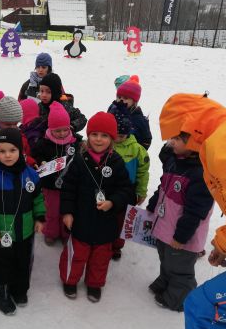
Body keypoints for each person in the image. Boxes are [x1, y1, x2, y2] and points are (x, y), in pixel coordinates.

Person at [159, 93, 226, 328]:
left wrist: (223, 245)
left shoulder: (223, 144)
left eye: (175, 136)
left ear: (189, 128)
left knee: (201, 306)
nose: (171, 143)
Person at [59, 112, 133, 303]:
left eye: (104, 135)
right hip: (81, 220)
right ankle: (70, 280)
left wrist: (113, 202)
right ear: (88, 135)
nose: (99, 139)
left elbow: (126, 190)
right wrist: (67, 212)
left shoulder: (116, 162)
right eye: (95, 134)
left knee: (100, 259)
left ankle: (94, 284)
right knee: (76, 255)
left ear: (112, 138)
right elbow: (68, 189)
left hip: (105, 223)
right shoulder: (79, 160)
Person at [0, 128, 46, 315]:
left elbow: (38, 198)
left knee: (22, 261)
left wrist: (39, 217)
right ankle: (1, 291)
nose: (7, 155)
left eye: (12, 150)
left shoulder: (30, 174)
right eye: (2, 151)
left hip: (25, 230)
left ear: (21, 151)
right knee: (2, 262)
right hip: (1, 232)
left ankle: (20, 289)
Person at [146, 135, 214, 312]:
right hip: (166, 225)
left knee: (180, 268)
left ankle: (179, 297)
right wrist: (154, 202)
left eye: (177, 139)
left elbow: (195, 211)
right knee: (165, 257)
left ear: (195, 144)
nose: (171, 142)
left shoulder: (201, 174)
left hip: (183, 235)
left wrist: (181, 237)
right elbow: (164, 186)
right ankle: (166, 281)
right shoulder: (174, 161)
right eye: (172, 138)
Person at [31, 101, 82, 245]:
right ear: (50, 129)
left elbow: (80, 159)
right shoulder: (43, 143)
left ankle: (66, 233)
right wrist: (40, 162)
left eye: (65, 130)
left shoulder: (74, 142)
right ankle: (51, 232)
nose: (62, 134)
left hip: (69, 186)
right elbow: (35, 155)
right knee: (51, 211)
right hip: (50, 186)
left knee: (67, 210)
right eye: (57, 130)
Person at [109, 102, 150, 260]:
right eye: (115, 134)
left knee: (121, 220)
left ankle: (117, 245)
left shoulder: (137, 149)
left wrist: (141, 191)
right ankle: (104, 242)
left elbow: (143, 171)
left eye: (122, 135)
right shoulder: (106, 144)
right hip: (107, 189)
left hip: (127, 190)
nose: (118, 138)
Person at [0, 91, 35, 170]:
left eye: (15, 124)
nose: (12, 128)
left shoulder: (21, 137)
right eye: (8, 124)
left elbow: (25, 155)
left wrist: (32, 163)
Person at [108, 79, 152, 150]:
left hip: (129, 154)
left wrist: (137, 151)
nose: (121, 100)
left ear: (134, 101)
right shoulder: (112, 110)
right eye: (119, 97)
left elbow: (146, 139)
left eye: (125, 98)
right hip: (111, 150)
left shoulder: (139, 119)